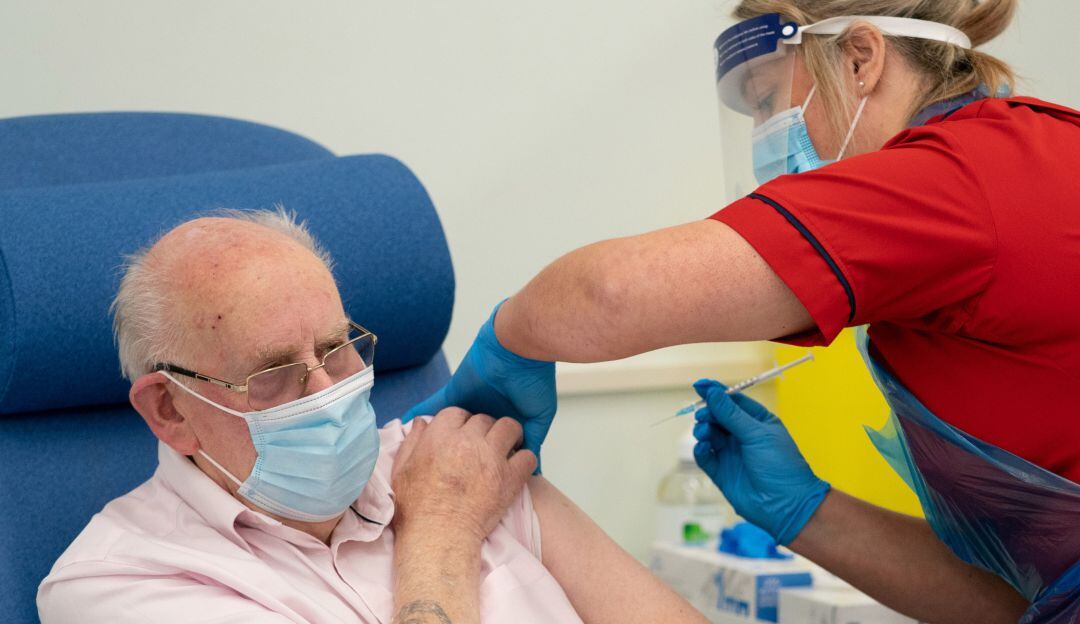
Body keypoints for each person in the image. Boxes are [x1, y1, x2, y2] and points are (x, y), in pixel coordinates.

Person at [406, 1, 1080, 622]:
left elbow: (608, 293)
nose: (764, 135)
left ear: (859, 59)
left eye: (767, 100)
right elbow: (1013, 600)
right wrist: (808, 512)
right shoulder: (1028, 152)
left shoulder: (950, 182)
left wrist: (512, 340)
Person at [36, 209, 706, 624]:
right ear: (170, 409)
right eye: (275, 373)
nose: (327, 390)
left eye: (337, 349)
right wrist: (442, 531)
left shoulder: (452, 456)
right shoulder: (115, 586)